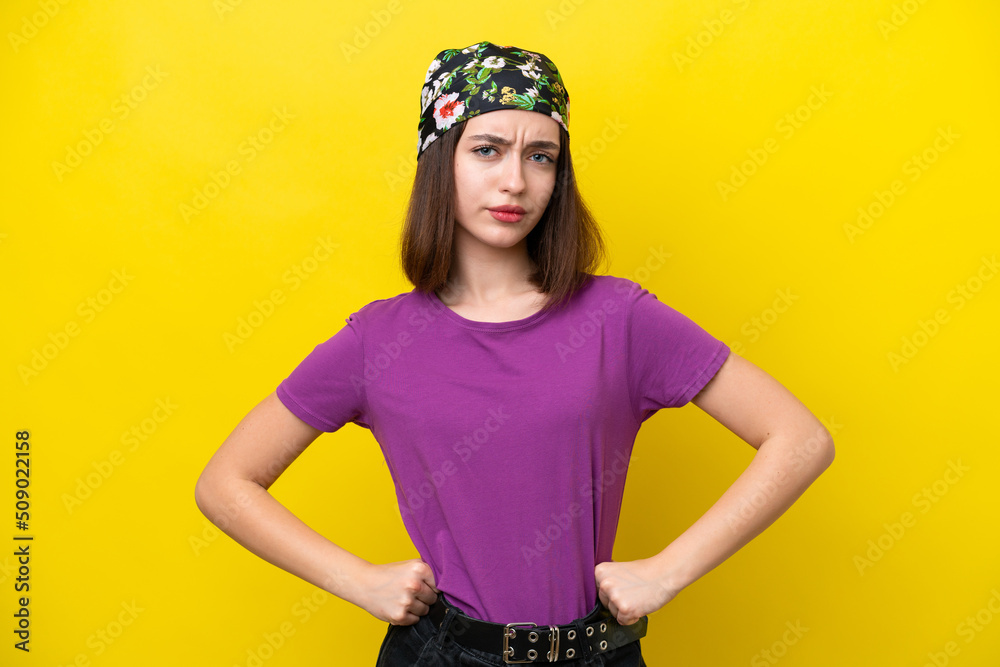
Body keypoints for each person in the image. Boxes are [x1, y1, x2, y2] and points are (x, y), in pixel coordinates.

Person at [194, 41, 835, 666]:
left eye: (542, 156)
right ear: (439, 161)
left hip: (593, 652)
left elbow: (800, 438)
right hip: (442, 652)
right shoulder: (380, 340)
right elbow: (226, 484)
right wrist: (359, 580)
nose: (515, 181)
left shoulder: (619, 319)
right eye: (487, 149)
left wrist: (667, 573)